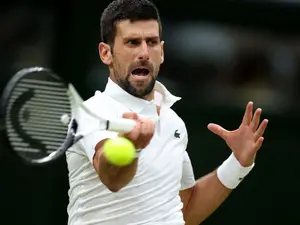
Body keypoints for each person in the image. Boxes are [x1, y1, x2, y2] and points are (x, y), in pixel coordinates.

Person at [66, 0, 269, 224]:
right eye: (132, 42)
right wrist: (131, 148)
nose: (144, 52)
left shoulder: (173, 123)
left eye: (151, 42)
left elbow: (186, 210)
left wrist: (238, 163)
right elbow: (111, 178)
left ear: (161, 52)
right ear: (106, 53)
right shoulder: (91, 112)